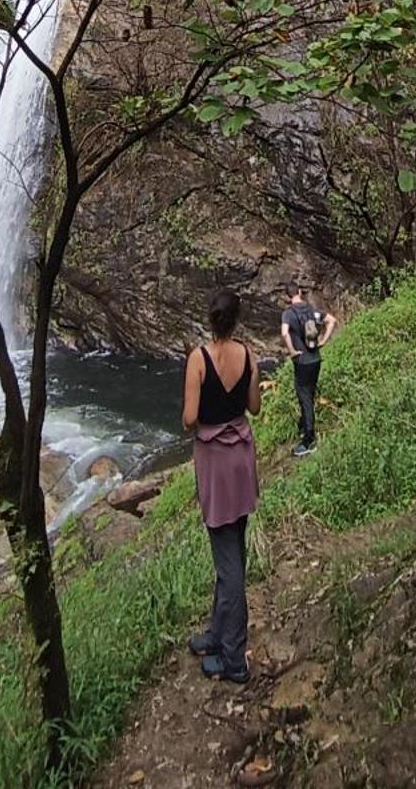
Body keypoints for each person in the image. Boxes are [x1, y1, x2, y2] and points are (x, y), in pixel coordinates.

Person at [182, 287, 261, 684]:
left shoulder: (198, 359)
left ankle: (233, 660)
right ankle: (217, 634)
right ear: (236, 319)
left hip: (214, 461)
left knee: (230, 568)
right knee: (231, 551)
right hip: (241, 459)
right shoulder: (248, 355)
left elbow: (189, 417)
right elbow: (254, 406)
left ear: (211, 320)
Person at [281, 281, 336, 455]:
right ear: (299, 292)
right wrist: (324, 341)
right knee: (309, 393)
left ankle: (308, 440)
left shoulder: (288, 314)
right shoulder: (311, 309)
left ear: (287, 297)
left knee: (304, 395)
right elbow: (331, 321)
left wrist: (292, 351)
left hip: (302, 362)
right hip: (316, 359)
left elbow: (284, 333)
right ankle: (304, 423)